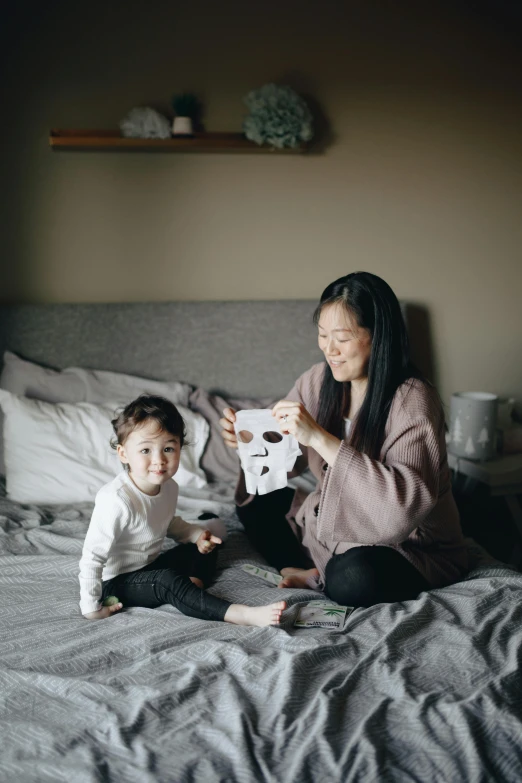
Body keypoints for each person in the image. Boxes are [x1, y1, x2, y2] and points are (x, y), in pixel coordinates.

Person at [220, 272, 468, 608]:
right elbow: (285, 460)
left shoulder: (412, 400)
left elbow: (399, 514)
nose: (330, 350)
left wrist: (321, 438)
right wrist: (250, 442)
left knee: (354, 577)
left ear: (378, 336)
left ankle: (319, 574)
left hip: (406, 546)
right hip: (334, 528)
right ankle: (309, 569)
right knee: (256, 499)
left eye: (342, 338)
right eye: (323, 335)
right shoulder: (318, 380)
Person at [79, 394, 285, 627]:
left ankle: (192, 585)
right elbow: (92, 557)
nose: (159, 460)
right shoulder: (116, 500)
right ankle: (242, 614)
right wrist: (90, 607)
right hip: (116, 582)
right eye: (145, 450)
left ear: (180, 449)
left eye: (168, 448)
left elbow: (168, 522)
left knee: (208, 542)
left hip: (149, 565)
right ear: (124, 453)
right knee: (167, 581)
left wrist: (197, 536)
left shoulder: (168, 487)